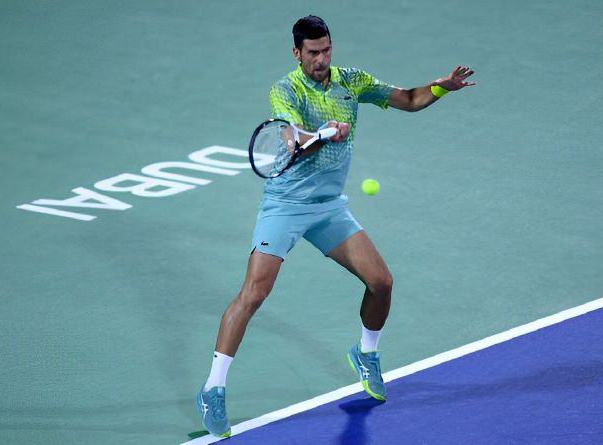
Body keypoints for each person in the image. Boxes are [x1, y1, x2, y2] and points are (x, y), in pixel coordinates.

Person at [196, 15, 475, 438]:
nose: (322, 59)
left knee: (381, 282)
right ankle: (213, 388)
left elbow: (408, 99)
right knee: (254, 293)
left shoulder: (352, 81)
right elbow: (292, 140)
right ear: (297, 53)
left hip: (328, 208)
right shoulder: (285, 90)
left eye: (326, 50)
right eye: (313, 53)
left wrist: (440, 88)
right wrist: (326, 132)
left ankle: (366, 355)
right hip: (287, 206)